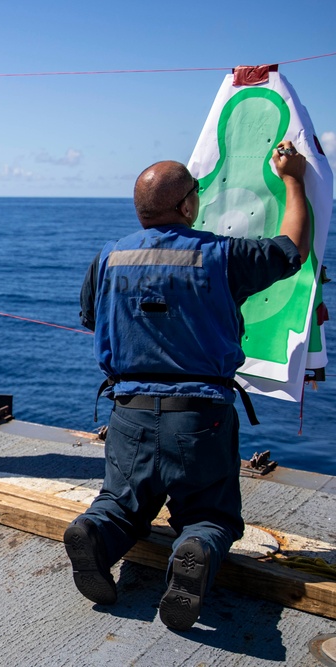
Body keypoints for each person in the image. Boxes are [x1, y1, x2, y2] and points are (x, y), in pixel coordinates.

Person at [66, 140, 310, 631]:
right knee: (210, 516)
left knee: (120, 504)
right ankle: (195, 548)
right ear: (185, 205)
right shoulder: (221, 255)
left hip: (128, 411)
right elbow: (291, 251)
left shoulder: (109, 256)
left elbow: (93, 318)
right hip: (201, 416)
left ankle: (93, 532)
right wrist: (293, 179)